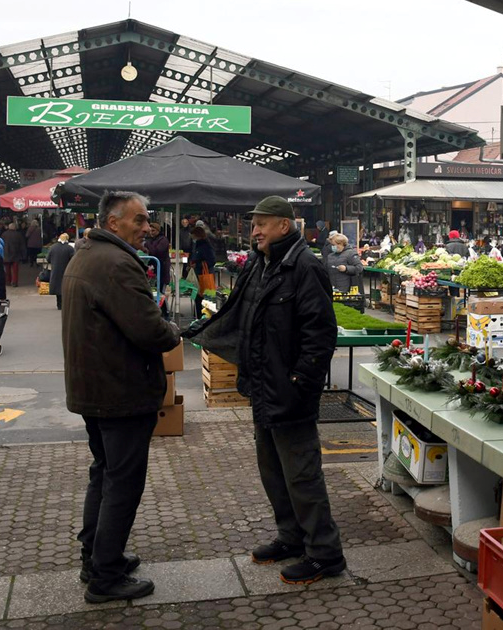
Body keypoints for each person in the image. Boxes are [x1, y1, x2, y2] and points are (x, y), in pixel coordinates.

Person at [183, 195, 344, 585]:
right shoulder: (260, 263)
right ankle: (291, 537)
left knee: (302, 474)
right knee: (273, 470)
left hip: (290, 391)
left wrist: (300, 383)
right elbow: (239, 313)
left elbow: (320, 334)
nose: (254, 230)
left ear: (283, 226)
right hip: (263, 386)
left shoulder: (304, 267)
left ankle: (325, 554)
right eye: (253, 224)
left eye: (261, 224)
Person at [62, 191, 180, 603]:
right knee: (122, 483)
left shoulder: (86, 253)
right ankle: (106, 576)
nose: (147, 227)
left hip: (94, 388)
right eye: (139, 220)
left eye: (147, 220)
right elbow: (150, 330)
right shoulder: (116, 264)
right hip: (120, 391)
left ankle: (95, 558)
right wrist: (172, 330)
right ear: (113, 222)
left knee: (104, 473)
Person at [189, 225, 217, 315]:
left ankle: (203, 315)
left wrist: (198, 265)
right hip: (199, 274)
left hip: (204, 274)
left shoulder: (205, 246)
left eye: (193, 236)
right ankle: (199, 314)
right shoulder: (197, 245)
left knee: (204, 296)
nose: (192, 238)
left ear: (197, 235)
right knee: (199, 295)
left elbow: (211, 260)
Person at [47, 233, 75, 310]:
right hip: (67, 270)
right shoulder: (70, 248)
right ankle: (65, 304)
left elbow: (48, 259)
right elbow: (73, 259)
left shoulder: (53, 247)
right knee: (65, 287)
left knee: (57, 287)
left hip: (56, 270)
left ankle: (59, 304)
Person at [1, 223, 26, 288]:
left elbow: (1, 243)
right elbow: (22, 245)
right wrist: (23, 254)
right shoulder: (18, 234)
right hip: (15, 253)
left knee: (7, 269)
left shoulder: (4, 234)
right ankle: (15, 282)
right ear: (15, 228)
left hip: (6, 254)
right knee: (15, 270)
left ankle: (8, 281)